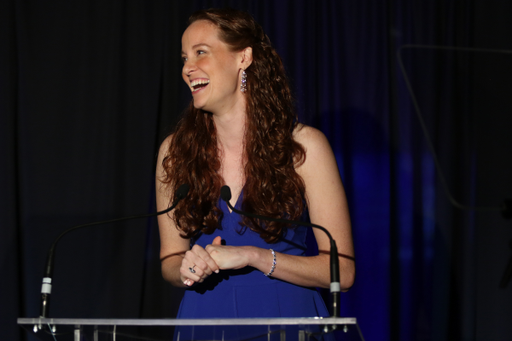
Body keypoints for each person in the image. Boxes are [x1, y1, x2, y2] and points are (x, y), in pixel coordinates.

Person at [155, 8, 354, 336]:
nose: (188, 69)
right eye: (184, 58)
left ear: (243, 58)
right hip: (204, 323)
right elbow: (170, 260)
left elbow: (342, 272)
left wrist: (253, 256)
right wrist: (185, 267)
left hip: (286, 322)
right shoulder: (175, 152)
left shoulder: (303, 147)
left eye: (201, 53)